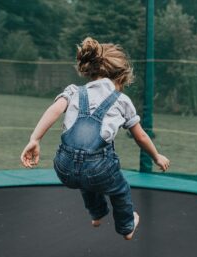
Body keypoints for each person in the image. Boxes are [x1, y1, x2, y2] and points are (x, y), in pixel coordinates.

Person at [20, 37, 170, 240]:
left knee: (85, 178)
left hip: (64, 168)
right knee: (119, 189)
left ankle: (97, 214)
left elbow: (54, 109)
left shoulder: (74, 91)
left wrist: (35, 139)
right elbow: (141, 136)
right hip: (98, 169)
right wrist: (156, 156)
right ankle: (127, 227)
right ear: (119, 77)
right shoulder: (122, 101)